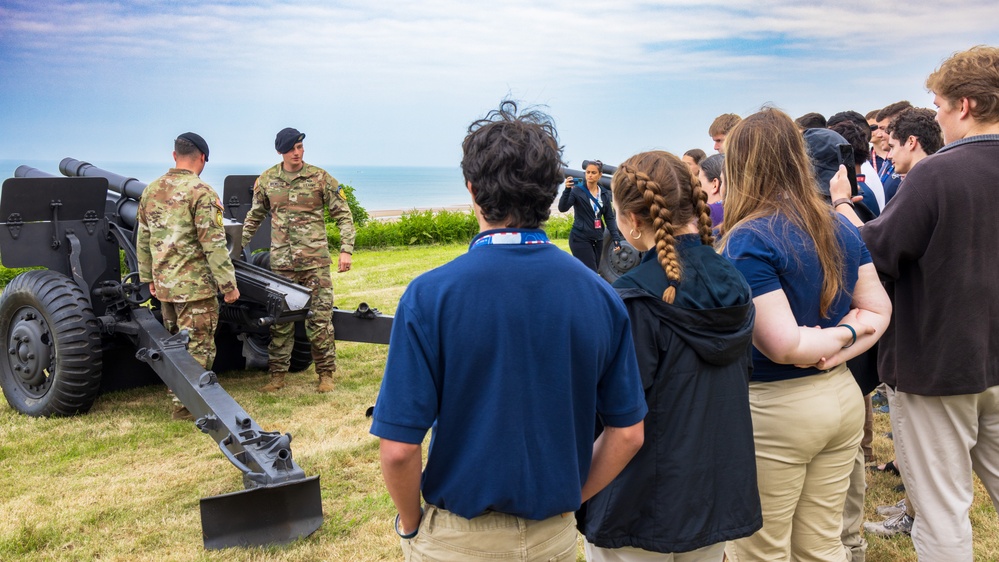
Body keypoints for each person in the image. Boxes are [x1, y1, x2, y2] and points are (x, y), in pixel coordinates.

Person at [370, 101, 647, 562]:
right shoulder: (600, 295)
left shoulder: (429, 296)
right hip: (554, 536)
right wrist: (570, 498)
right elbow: (628, 433)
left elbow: (399, 450)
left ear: (472, 189)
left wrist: (410, 524)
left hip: (458, 538)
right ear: (552, 192)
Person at [838, 46, 999, 560]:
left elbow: (876, 252)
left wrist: (842, 204)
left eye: (939, 105)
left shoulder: (937, 173)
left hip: (937, 365)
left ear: (966, 105)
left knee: (941, 511)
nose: (936, 116)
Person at [718, 108, 892, 561]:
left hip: (777, 408)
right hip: (840, 398)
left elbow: (785, 345)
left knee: (761, 551)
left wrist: (831, 344)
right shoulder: (834, 223)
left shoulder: (748, 238)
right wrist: (847, 335)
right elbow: (878, 309)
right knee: (820, 543)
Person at [580, 150, 761, 561]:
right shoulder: (734, 281)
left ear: (633, 220)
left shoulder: (633, 300)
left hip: (637, 500)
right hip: (713, 487)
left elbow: (617, 417)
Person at [241, 127, 355, 394]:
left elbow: (343, 215)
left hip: (315, 263)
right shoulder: (267, 180)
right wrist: (236, 246)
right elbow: (254, 217)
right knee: (280, 322)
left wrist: (346, 249)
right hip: (282, 265)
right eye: (292, 148)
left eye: (300, 147)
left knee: (320, 321)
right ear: (281, 151)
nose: (297, 152)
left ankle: (325, 375)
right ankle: (277, 376)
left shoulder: (319, 178)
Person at [136, 132, 240, 419]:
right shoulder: (202, 192)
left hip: (166, 286)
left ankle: (178, 398)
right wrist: (228, 285)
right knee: (198, 346)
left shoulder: (151, 190)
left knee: (175, 345)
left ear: (174, 156)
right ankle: (186, 407)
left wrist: (149, 278)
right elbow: (214, 243)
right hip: (195, 288)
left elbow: (143, 239)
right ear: (202, 158)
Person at [558, 159, 624, 272]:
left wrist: (616, 239)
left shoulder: (603, 194)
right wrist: (567, 191)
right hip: (580, 237)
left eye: (593, 173)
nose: (590, 175)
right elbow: (562, 208)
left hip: (598, 239)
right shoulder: (577, 191)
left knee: (593, 271)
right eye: (588, 172)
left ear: (600, 175)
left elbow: (609, 218)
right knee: (591, 272)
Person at [698, 153, 725, 227]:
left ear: (715, 184)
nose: (697, 188)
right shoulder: (747, 211)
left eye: (699, 182)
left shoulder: (705, 212)